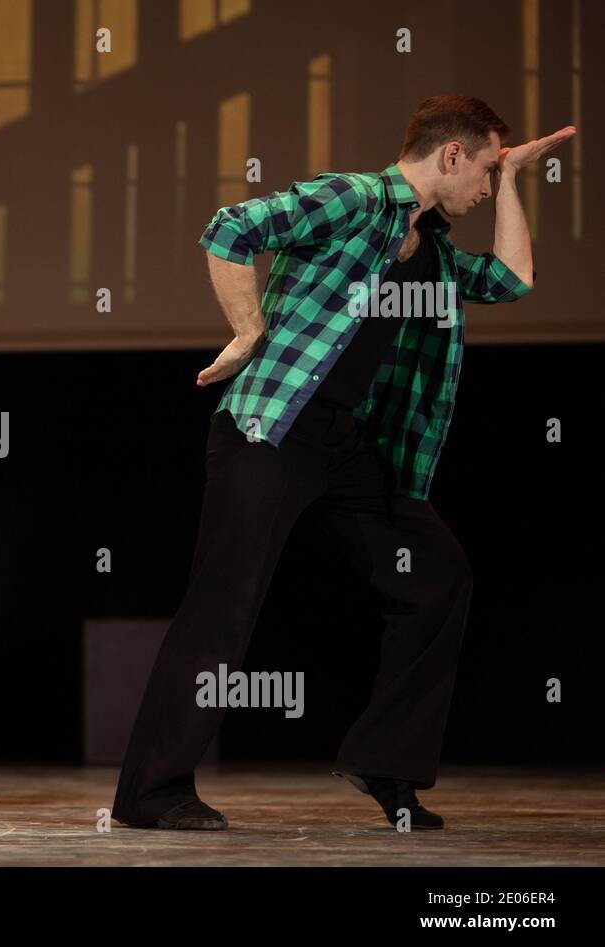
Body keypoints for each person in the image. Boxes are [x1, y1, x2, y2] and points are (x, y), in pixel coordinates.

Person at [112, 95, 574, 831]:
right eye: (487, 169)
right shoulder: (354, 198)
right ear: (450, 155)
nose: (487, 188)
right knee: (223, 608)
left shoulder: (437, 251)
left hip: (341, 445)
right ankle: (152, 791)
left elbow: (513, 281)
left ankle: (385, 765)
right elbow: (231, 229)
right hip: (270, 430)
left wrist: (517, 177)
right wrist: (246, 329)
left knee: (437, 574)